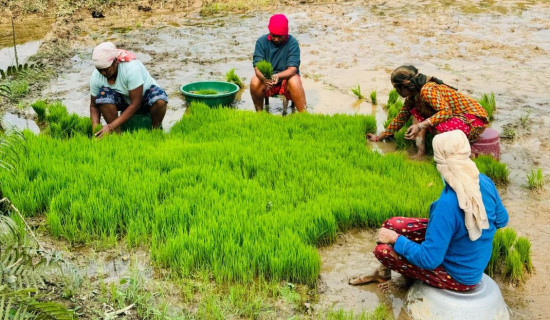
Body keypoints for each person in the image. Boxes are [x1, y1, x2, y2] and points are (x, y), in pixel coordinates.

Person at [350, 130, 508, 292]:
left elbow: (429, 259)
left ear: (440, 161)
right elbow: (502, 220)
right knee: (392, 224)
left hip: (459, 278)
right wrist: (472, 231)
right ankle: (383, 273)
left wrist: (396, 239)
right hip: (473, 261)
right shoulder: (483, 180)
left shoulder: (446, 204)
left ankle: (405, 277)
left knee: (383, 251)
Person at [367, 65, 488, 158]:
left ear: (405, 85)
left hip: (472, 118)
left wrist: (420, 126)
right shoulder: (413, 97)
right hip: (455, 116)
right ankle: (421, 153)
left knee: (438, 127)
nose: (396, 90)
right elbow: (401, 117)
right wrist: (379, 137)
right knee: (417, 113)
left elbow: (446, 112)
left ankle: (451, 157)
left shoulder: (427, 90)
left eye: (396, 87)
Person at [89, 42, 168, 138]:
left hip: (144, 97)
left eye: (106, 69)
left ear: (115, 62)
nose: (103, 73)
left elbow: (136, 103)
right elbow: (94, 106)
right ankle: (118, 136)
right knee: (103, 97)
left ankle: (155, 132)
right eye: (99, 70)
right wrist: (95, 125)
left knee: (160, 100)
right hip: (124, 101)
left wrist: (110, 126)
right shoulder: (96, 76)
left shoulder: (131, 68)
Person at [250, 14, 306, 113]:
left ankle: (304, 115)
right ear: (269, 32)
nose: (276, 39)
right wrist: (264, 78)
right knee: (255, 80)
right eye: (273, 35)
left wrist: (277, 76)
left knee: (295, 80)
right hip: (267, 81)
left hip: (286, 80)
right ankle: (259, 113)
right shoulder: (261, 42)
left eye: (280, 36)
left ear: (286, 33)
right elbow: (257, 67)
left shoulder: (292, 43)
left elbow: (292, 69)